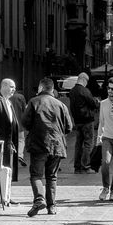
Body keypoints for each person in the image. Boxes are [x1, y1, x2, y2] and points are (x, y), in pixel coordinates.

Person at [21, 77, 73, 216]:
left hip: (38, 144)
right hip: (57, 145)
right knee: (52, 177)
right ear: (52, 89)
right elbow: (69, 127)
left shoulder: (34, 102)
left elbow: (25, 122)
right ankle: (51, 207)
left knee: (36, 175)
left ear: (41, 88)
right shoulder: (61, 105)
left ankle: (39, 200)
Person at [68, 72, 99, 174]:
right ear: (84, 80)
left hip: (77, 121)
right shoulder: (84, 90)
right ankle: (86, 166)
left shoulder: (72, 91)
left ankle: (77, 167)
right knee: (88, 143)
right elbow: (93, 103)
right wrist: (96, 101)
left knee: (78, 144)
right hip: (87, 120)